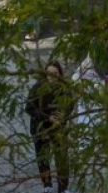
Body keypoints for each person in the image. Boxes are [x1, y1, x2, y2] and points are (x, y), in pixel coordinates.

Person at [26, 62, 73, 193]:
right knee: (43, 157)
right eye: (49, 73)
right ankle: (47, 185)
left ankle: (63, 188)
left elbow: (70, 105)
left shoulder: (64, 87)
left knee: (62, 157)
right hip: (40, 127)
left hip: (58, 127)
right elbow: (29, 108)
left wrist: (63, 114)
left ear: (60, 74)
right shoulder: (37, 87)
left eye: (55, 73)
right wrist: (47, 118)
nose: (51, 76)